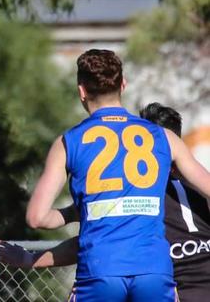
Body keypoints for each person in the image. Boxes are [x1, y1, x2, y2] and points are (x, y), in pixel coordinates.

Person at [24, 49, 210, 302]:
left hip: (101, 270)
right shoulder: (164, 137)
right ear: (123, 84)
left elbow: (37, 218)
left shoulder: (68, 142)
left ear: (81, 91)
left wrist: (76, 211)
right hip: (154, 272)